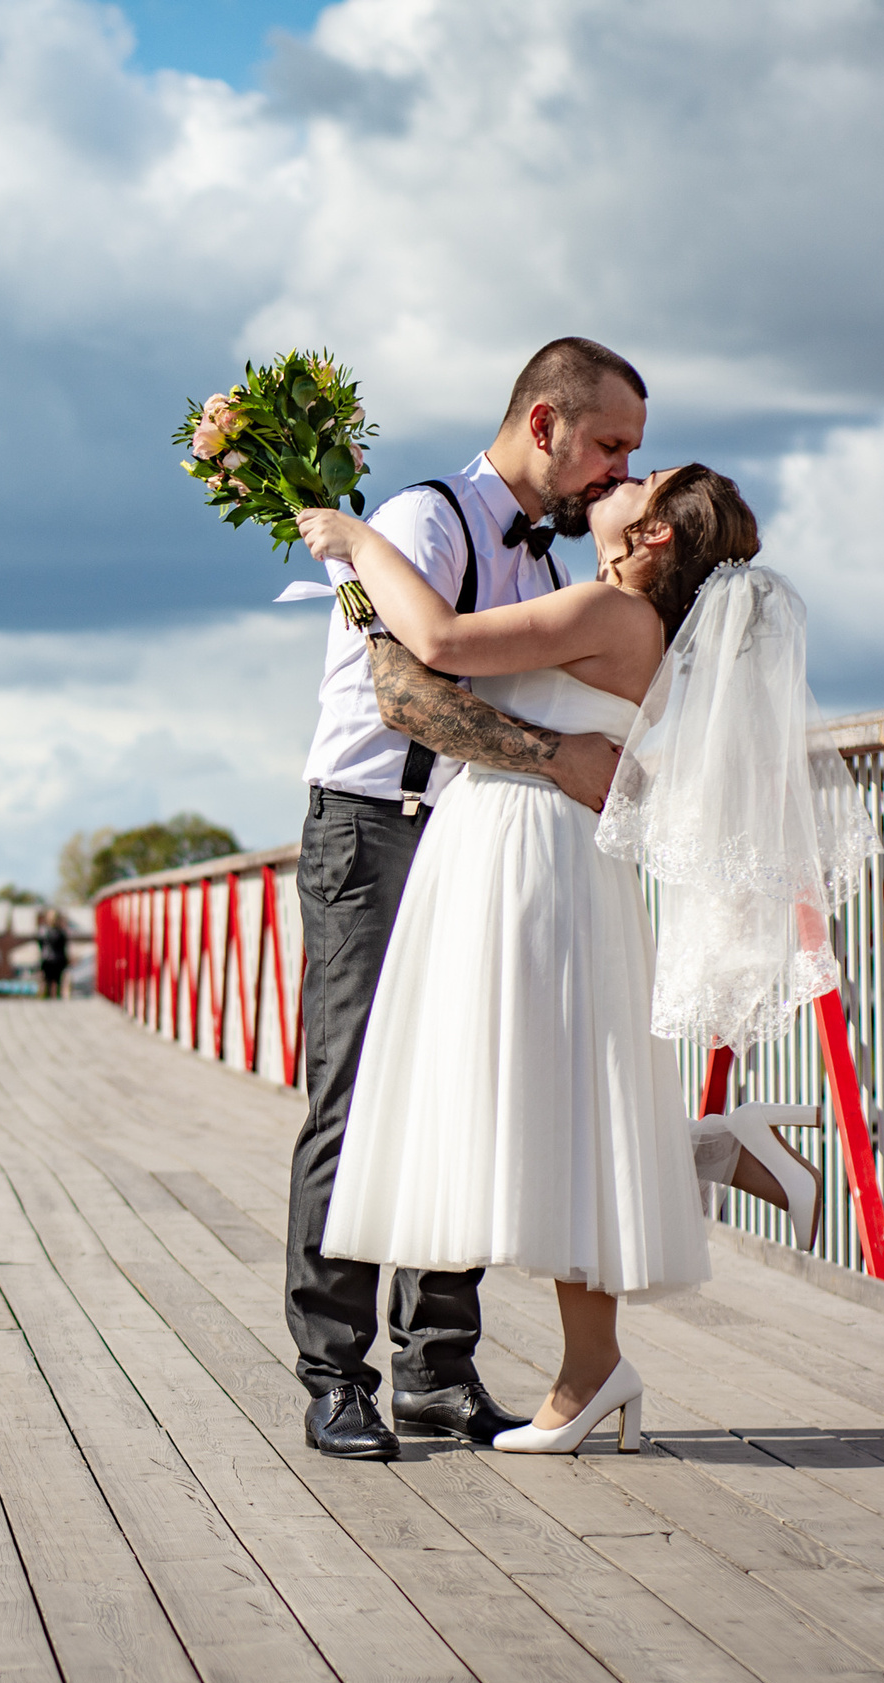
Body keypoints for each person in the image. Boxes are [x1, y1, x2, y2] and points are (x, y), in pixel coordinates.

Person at [298, 462, 857, 1455]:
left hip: (519, 851)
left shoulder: (609, 610)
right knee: (553, 1100)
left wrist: (356, 541)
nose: (620, 479)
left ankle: (637, 1275)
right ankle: (609, 1333)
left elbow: (438, 642)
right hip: (541, 852)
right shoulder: (643, 628)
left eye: (639, 484)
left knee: (523, 1097)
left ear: (647, 542)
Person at [284, 337, 644, 1462]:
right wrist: (554, 757)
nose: (620, 469)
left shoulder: (553, 559)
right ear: (543, 423)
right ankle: (334, 1372)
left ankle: (435, 1372)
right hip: (374, 830)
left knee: (468, 1094)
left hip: (476, 843)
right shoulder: (425, 521)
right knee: (356, 1095)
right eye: (608, 443)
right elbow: (405, 693)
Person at [36, 909, 71, 999]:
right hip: (59, 960)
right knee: (58, 983)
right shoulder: (61, 932)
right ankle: (57, 1002)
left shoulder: (42, 931)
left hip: (46, 960)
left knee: (47, 983)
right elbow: (64, 946)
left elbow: (40, 945)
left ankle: (47, 1002)